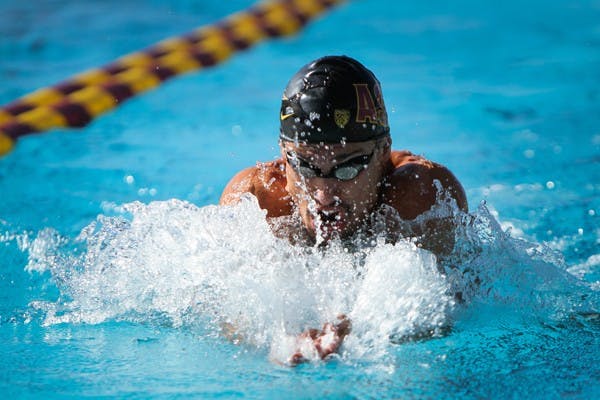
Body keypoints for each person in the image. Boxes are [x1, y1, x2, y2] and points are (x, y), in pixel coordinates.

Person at [219, 55, 468, 364]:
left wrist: (355, 327)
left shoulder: (420, 195)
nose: (323, 195)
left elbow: (433, 312)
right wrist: (276, 339)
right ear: (284, 154)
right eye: (306, 167)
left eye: (347, 169)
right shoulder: (257, 201)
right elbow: (231, 315)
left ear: (382, 153)